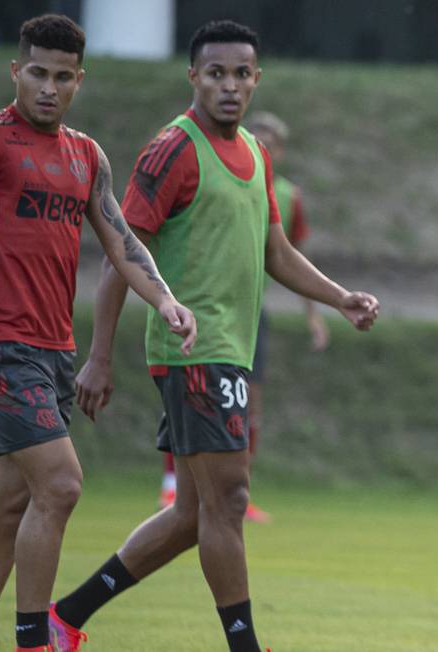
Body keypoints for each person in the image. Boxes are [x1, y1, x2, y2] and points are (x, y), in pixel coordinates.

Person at [47, 20, 378, 652]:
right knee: (230, 501)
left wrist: (340, 299)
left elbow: (276, 251)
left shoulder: (256, 153)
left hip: (231, 349)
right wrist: (97, 357)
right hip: (193, 348)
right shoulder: (174, 148)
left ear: (257, 78)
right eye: (216, 73)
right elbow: (123, 253)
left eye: (242, 73)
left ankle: (68, 617)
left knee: (194, 514)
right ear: (193, 76)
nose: (230, 85)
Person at [0, 14, 196, 652]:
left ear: (79, 80)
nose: (48, 87)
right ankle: (36, 641)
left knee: (7, 509)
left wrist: (166, 301)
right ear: (16, 71)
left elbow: (121, 238)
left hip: (54, 354)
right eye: (37, 73)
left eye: (62, 77)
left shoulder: (87, 156)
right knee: (61, 484)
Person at [156, 111, 329, 523]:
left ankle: (240, 492)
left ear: (280, 151)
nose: (263, 145)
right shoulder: (213, 174)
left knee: (251, 405)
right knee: (185, 401)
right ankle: (172, 488)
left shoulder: (287, 196)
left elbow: (290, 256)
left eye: (271, 140)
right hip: (202, 311)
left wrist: (316, 314)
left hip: (251, 314)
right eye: (259, 136)